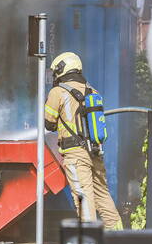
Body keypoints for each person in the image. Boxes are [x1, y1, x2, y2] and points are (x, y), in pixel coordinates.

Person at [44, 52, 123, 229]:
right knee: (103, 196)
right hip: (95, 152)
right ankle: (118, 238)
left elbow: (49, 124)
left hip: (75, 155)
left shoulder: (57, 92)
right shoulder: (92, 90)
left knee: (83, 198)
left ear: (62, 69)